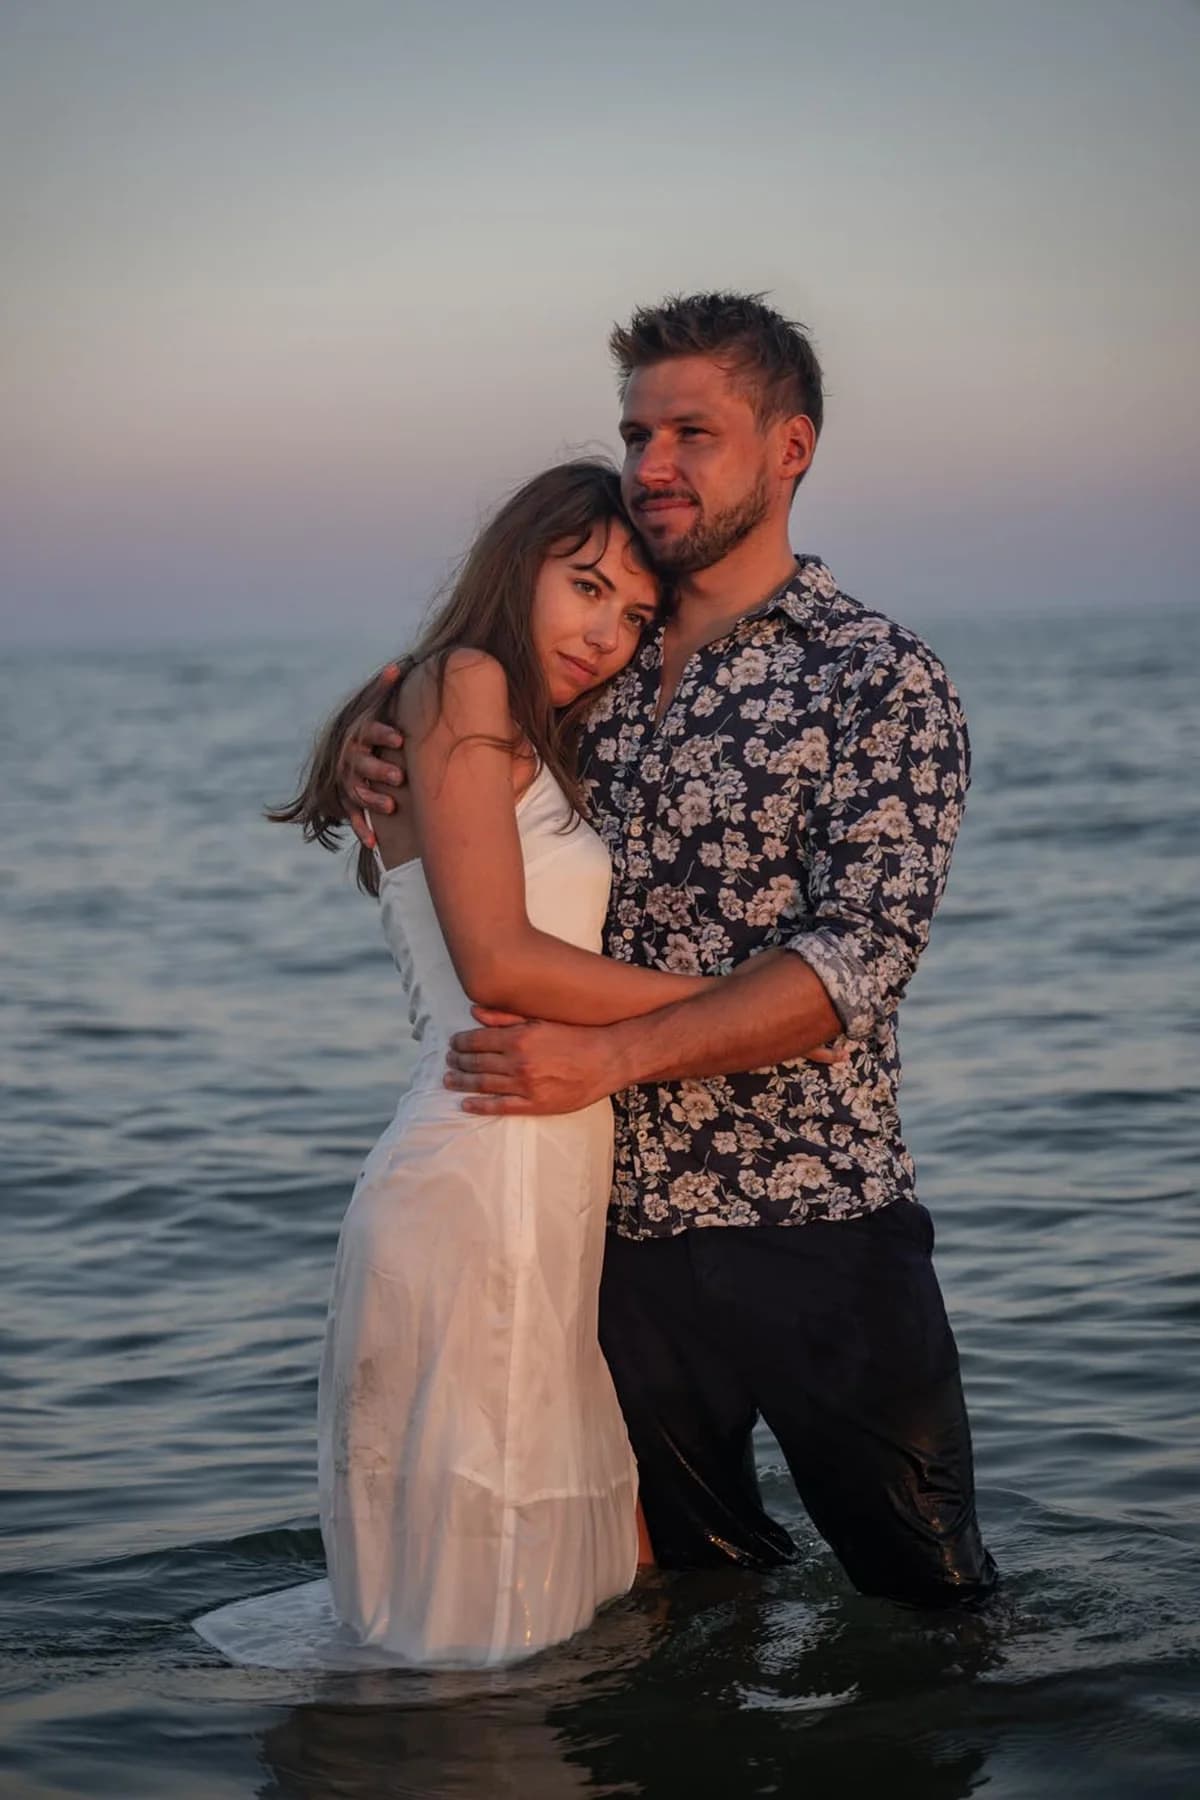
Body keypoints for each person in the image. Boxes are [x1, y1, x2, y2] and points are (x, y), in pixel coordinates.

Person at [346, 292, 998, 1609]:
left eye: (692, 433)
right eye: (637, 432)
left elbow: (861, 960)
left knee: (930, 1607)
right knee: (674, 1620)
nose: (652, 465)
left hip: (817, 1221)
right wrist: (381, 752)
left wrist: (621, 1053)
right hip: (607, 1239)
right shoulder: (572, 677)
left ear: (790, 448)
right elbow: (476, 873)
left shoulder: (877, 676)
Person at [198, 461, 839, 1672]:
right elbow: (498, 963)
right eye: (584, 585)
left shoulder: (510, 723)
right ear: (514, 565)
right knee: (484, 1638)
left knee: (544, 1606)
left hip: (537, 1200)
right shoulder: (464, 680)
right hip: (479, 1178)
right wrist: (755, 1006)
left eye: (636, 616)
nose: (605, 632)